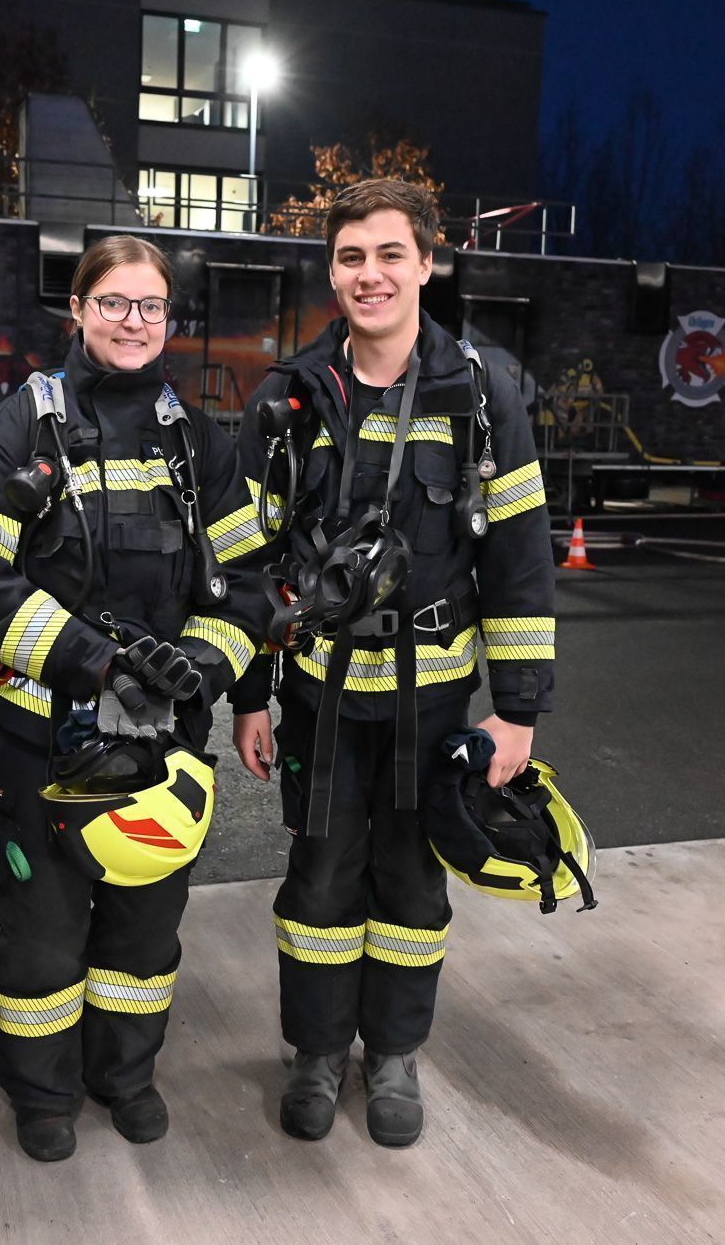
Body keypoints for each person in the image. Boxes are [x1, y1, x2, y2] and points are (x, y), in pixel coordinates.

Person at [229, 178, 557, 1149]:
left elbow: (521, 559)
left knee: (414, 885)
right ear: (331, 272)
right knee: (321, 882)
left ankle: (395, 1053)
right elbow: (248, 566)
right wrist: (250, 695)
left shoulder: (485, 395)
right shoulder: (288, 398)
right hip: (321, 699)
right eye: (349, 257)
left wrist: (520, 708)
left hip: (436, 705)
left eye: (386, 254)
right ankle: (317, 1052)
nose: (367, 275)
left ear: (426, 261)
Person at [0, 235, 268, 1162]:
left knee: (141, 931)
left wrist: (205, 670)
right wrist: (93, 663)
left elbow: (247, 579)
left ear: (169, 320)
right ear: (79, 311)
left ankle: (124, 1076)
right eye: (116, 303)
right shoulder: (21, 428)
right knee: (43, 943)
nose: (135, 323)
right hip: (38, 740)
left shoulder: (199, 440)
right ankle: (41, 1095)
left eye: (152, 307)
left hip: (161, 745)